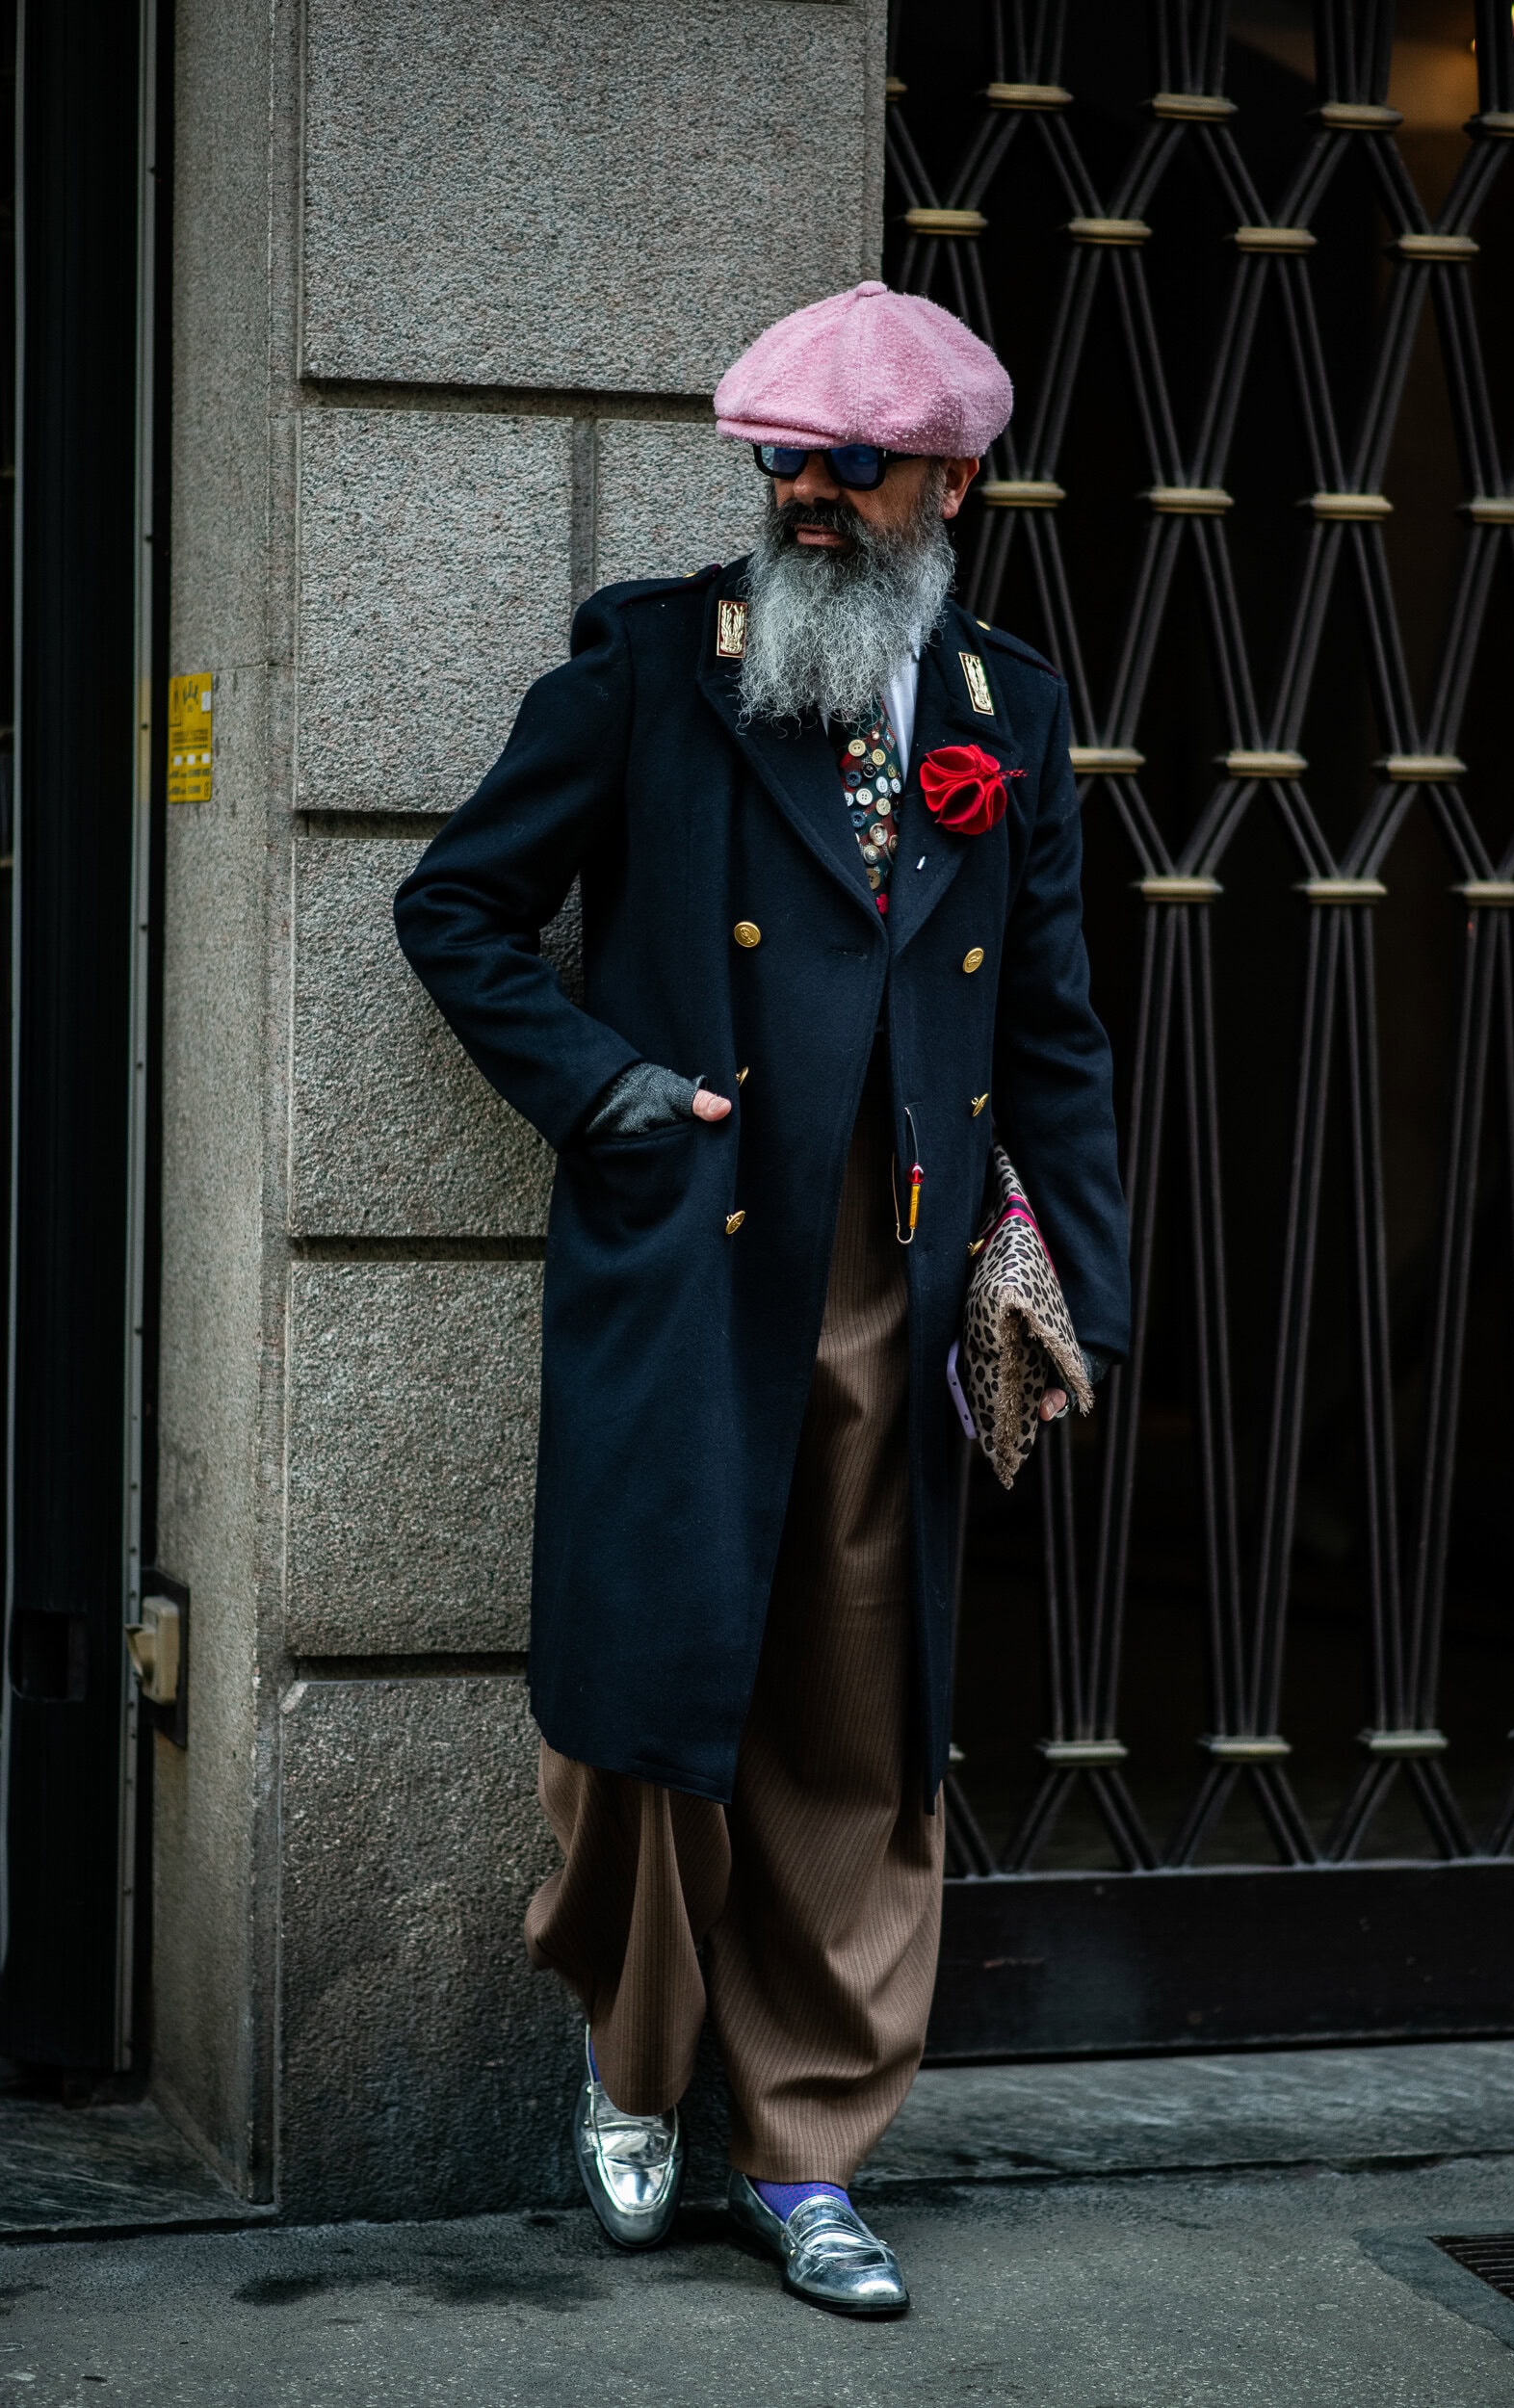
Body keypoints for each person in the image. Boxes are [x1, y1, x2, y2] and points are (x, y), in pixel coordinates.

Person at [393, 279, 1129, 2316]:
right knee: (647, 1703)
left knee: (851, 1714)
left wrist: (1074, 1274)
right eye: (784, 461)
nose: (807, 493)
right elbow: (457, 904)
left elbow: (1052, 1027)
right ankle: (637, 2061)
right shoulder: (653, 661)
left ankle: (807, 2150)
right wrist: (606, 1090)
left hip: (895, 1272)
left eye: (852, 465)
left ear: (951, 484)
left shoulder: (1006, 709)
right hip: (692, 1265)